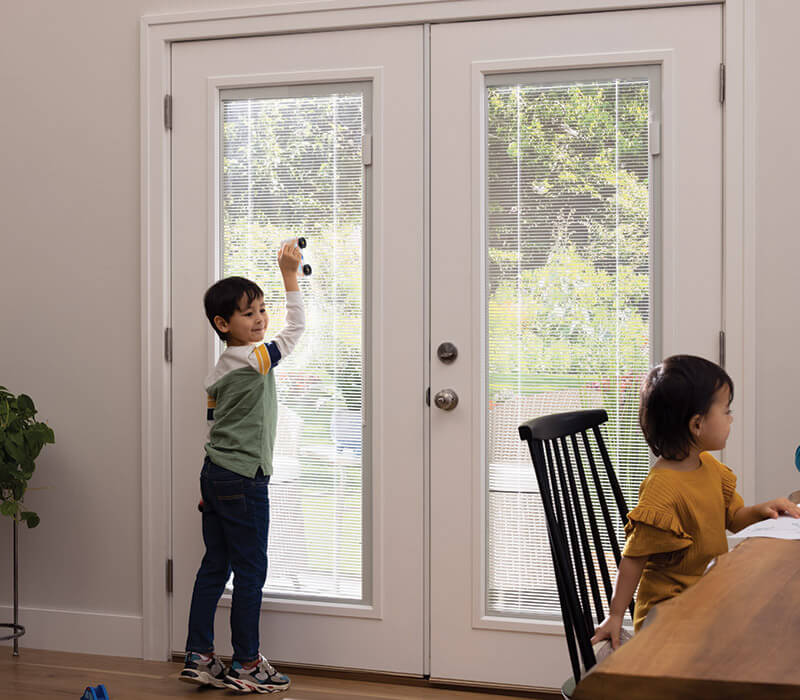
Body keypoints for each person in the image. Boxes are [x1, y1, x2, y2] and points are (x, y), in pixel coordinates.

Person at [592, 354, 800, 649]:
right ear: (697, 424)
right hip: (669, 610)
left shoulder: (709, 468)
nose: (731, 418)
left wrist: (761, 510)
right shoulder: (662, 490)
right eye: (726, 411)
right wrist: (615, 615)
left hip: (705, 593)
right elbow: (633, 560)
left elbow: (734, 519)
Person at [179, 240, 305, 693]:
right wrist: (289, 276)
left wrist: (209, 485)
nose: (260, 319)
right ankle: (247, 663)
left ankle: (199, 654)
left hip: (216, 475)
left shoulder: (217, 370)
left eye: (262, 309)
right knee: (251, 570)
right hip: (243, 479)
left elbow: (215, 427)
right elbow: (294, 332)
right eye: (249, 313)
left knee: (215, 565)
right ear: (222, 323)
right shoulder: (251, 359)